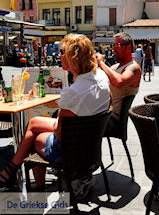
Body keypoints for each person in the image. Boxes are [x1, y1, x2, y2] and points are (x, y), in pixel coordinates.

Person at [0, 34, 110, 198]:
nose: (59, 56)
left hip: (70, 151)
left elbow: (59, 133)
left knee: (35, 138)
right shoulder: (102, 77)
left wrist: (52, 123)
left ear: (74, 57)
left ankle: (24, 180)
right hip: (90, 148)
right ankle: (12, 170)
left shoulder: (73, 92)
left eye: (63, 52)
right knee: (34, 124)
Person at [96, 32, 141, 122]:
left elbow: (119, 82)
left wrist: (101, 63)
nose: (114, 50)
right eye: (113, 46)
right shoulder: (115, 67)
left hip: (110, 119)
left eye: (117, 46)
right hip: (103, 113)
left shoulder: (133, 67)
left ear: (128, 48)